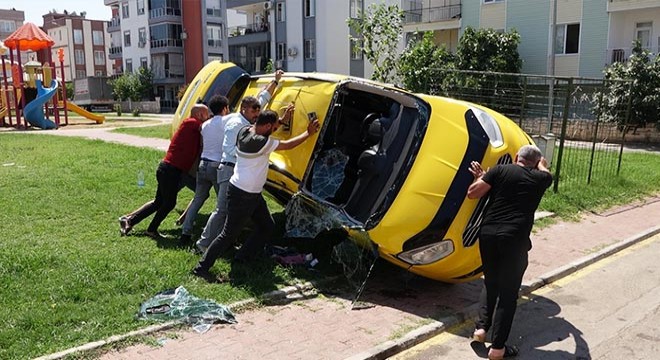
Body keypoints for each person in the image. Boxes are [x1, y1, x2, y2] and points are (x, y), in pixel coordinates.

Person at [191, 110, 320, 282]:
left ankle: (242, 257)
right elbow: (288, 145)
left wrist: (280, 121)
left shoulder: (245, 131)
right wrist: (308, 132)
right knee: (227, 234)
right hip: (243, 194)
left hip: (250, 192)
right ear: (267, 126)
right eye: (273, 127)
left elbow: (264, 129)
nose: (275, 129)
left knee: (267, 226)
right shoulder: (261, 142)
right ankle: (201, 268)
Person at [467, 145, 552, 360]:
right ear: (537, 162)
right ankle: (497, 349)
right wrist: (542, 163)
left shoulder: (499, 170)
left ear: (516, 157)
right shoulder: (541, 179)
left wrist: (480, 178)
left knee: (490, 281)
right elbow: (546, 172)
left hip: (488, 234)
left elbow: (472, 194)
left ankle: (480, 329)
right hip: (514, 239)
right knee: (508, 294)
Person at [194, 70, 285, 253]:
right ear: (244, 109)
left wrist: (275, 81)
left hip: (238, 171)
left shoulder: (249, 118)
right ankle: (203, 244)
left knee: (233, 212)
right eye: (254, 111)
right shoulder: (236, 124)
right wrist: (251, 153)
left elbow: (262, 98)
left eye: (258, 111)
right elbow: (228, 150)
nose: (257, 114)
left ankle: (226, 241)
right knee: (222, 211)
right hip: (229, 170)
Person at [119, 104, 211, 238]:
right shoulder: (192, 123)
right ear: (200, 115)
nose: (208, 117)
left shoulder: (192, 126)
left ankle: (130, 221)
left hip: (169, 169)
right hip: (170, 170)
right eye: (207, 114)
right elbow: (207, 127)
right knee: (169, 203)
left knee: (159, 202)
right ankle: (151, 229)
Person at [178, 95, 230, 244]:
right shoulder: (226, 121)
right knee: (222, 206)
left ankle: (185, 232)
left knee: (197, 200)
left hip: (203, 165)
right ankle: (219, 236)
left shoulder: (205, 125)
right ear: (225, 108)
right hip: (216, 166)